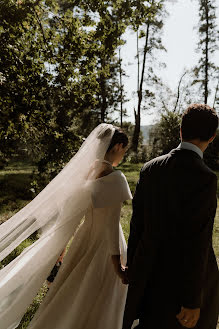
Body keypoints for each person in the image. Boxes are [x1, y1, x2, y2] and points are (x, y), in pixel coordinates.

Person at [0, 124, 132, 329]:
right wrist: (117, 265)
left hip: (82, 241)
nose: (123, 155)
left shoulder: (87, 173)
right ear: (118, 146)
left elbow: (69, 213)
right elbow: (112, 224)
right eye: (124, 150)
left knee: (70, 294)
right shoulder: (115, 178)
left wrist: (61, 248)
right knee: (100, 300)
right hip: (106, 249)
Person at [123, 104, 219, 329]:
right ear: (212, 137)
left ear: (180, 131)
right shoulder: (205, 178)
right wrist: (193, 300)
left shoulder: (150, 168)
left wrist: (132, 271)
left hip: (149, 275)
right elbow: (199, 241)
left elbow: (136, 224)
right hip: (182, 284)